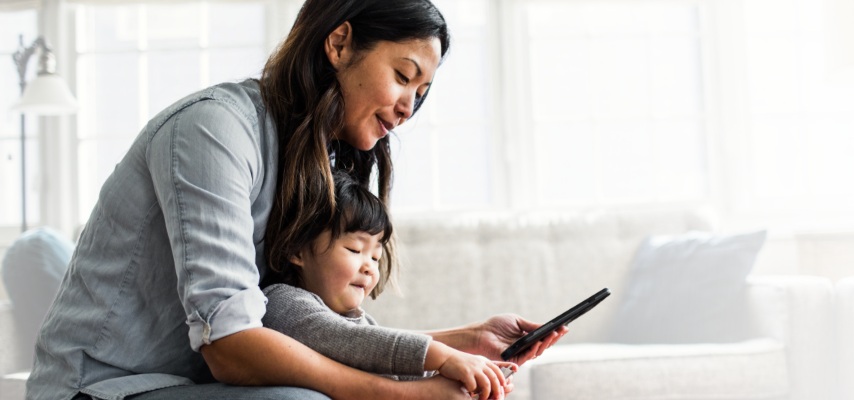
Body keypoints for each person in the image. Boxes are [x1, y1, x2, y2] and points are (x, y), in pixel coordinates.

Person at [26, 0, 567, 399]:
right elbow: (232, 345)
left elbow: (312, 331)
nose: (408, 108)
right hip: (104, 387)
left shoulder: (314, 161)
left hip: (187, 381)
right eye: (404, 76)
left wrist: (465, 342)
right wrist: (403, 394)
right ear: (339, 43)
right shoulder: (214, 130)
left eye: (421, 94)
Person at [261, 171, 516, 400]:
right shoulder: (282, 302)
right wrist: (447, 356)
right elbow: (350, 341)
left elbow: (400, 371)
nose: (370, 267)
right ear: (297, 250)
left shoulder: (360, 322)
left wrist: (469, 381)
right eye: (355, 249)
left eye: (375, 257)